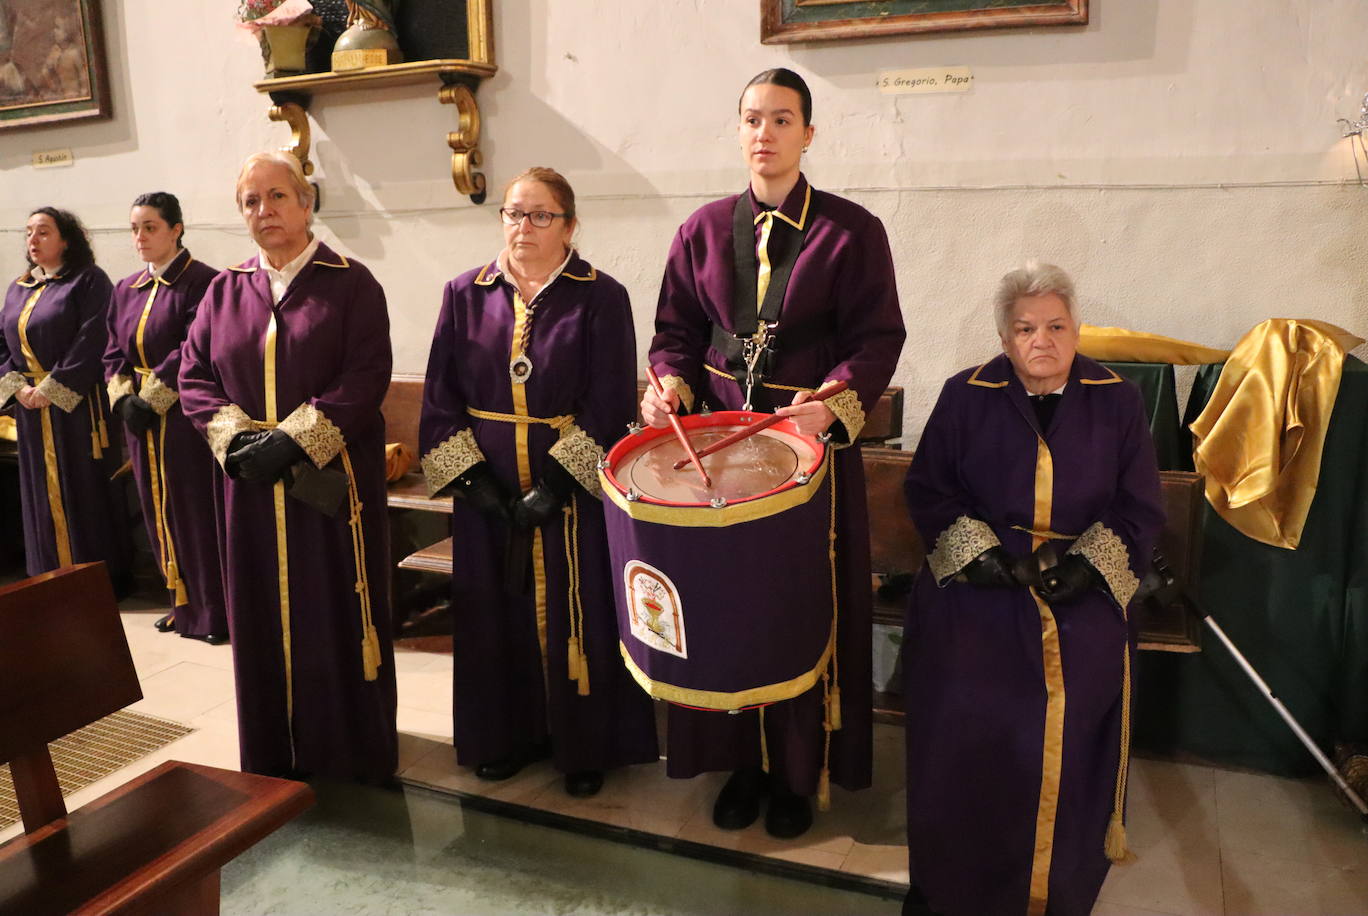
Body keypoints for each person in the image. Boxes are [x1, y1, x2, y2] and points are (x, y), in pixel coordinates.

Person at [641, 69, 905, 838]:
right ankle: (742, 765)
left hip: (802, 453)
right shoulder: (699, 229)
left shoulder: (853, 232)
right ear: (738, 131)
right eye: (753, 119)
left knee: (793, 606)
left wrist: (833, 404)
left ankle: (797, 772)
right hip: (719, 453)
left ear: (809, 135)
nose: (766, 133)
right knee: (728, 608)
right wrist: (667, 385)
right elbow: (675, 334)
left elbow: (878, 339)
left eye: (782, 120)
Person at [901, 262, 1165, 916]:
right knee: (966, 698)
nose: (1041, 340)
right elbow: (931, 489)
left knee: (1077, 693)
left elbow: (1139, 507)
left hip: (1084, 585)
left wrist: (1085, 566)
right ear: (1003, 335)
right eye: (1025, 328)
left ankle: (1054, 890)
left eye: (1055, 326)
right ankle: (952, 887)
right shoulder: (966, 393)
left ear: (1076, 330)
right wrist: (982, 555)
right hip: (979, 580)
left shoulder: (1119, 400)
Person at [418, 166, 658, 798]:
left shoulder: (600, 296)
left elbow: (608, 403)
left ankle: (583, 746)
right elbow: (441, 398)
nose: (524, 226)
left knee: (575, 612)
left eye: (541, 215)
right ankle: (505, 739)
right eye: (514, 213)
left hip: (568, 497)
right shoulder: (463, 293)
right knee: (495, 616)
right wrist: (474, 485)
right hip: (488, 496)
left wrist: (554, 485)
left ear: (570, 226)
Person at [179, 151, 397, 782]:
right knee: (260, 615)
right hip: (250, 488)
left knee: (332, 610)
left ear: (307, 204)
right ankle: (273, 755)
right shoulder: (224, 290)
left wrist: (297, 438)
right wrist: (236, 439)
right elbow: (193, 375)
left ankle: (344, 752)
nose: (264, 211)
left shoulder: (352, 283)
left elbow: (366, 375)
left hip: (329, 488)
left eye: (277, 197)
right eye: (251, 201)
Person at [105, 192, 228, 643]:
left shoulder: (205, 282)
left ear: (176, 229)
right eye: (135, 228)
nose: (140, 237)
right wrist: (122, 398)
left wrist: (151, 397)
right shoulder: (126, 288)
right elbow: (112, 349)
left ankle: (214, 612)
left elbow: (195, 345)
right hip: (138, 419)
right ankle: (180, 603)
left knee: (192, 511)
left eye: (150, 227)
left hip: (183, 416)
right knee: (156, 512)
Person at [0, 207, 132, 587]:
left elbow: (94, 338)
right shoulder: (19, 287)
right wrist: (17, 387)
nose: (33, 240)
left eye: (43, 231)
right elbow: (2, 343)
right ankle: (49, 579)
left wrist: (53, 388)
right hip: (29, 409)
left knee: (84, 492)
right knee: (38, 494)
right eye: (29, 233)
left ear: (67, 239)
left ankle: (99, 580)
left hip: (76, 410)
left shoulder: (88, 281)